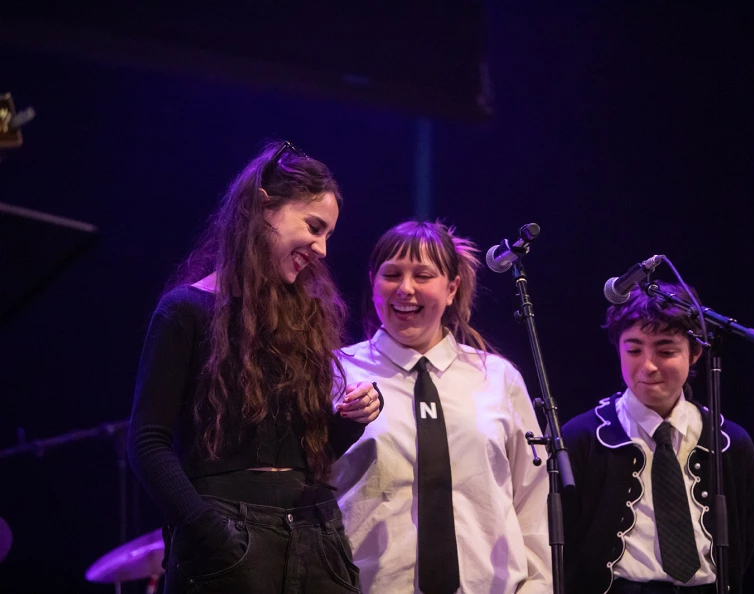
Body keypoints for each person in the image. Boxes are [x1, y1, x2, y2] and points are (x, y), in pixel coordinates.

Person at [127, 139, 382, 594]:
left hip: (314, 531)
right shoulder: (186, 311)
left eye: (329, 236)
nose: (322, 249)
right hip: (229, 536)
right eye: (314, 226)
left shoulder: (305, 317)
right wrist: (206, 529)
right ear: (265, 207)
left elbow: (306, 452)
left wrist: (351, 419)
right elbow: (147, 442)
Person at [330, 220, 552, 594]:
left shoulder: (498, 378)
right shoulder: (335, 372)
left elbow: (534, 497)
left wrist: (538, 587)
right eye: (392, 274)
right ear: (373, 283)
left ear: (451, 288)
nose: (405, 289)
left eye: (422, 275)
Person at [561, 281, 754, 594]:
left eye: (666, 351)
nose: (648, 366)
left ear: (695, 352)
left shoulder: (729, 443)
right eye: (633, 350)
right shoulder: (583, 438)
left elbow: (744, 537)